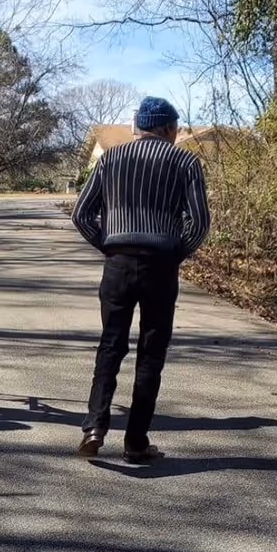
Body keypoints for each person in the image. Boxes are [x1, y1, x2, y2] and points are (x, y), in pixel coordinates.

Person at [71, 96, 210, 462]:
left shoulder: (110, 159)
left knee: (111, 345)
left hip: (117, 263)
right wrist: (176, 252)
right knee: (151, 353)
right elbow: (200, 222)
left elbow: (81, 214)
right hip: (161, 265)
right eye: (176, 128)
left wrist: (109, 245)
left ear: (139, 126)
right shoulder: (185, 161)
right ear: (167, 128)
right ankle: (135, 441)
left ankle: (95, 427)